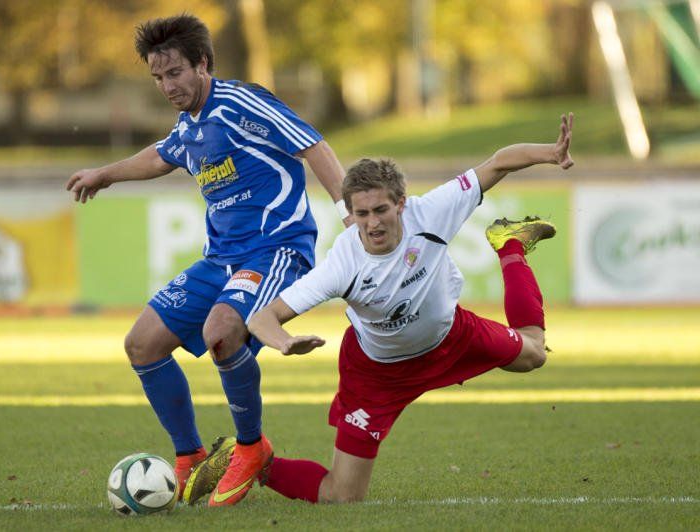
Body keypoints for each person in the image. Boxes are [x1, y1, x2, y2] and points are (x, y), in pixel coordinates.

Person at [65, 14, 350, 506]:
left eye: (175, 73)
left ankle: (251, 447)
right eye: (158, 77)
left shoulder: (242, 103)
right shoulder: (189, 125)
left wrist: (352, 217)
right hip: (220, 259)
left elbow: (314, 145)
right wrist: (105, 174)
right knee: (142, 344)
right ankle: (190, 457)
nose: (167, 86)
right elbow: (162, 155)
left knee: (221, 331)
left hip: (276, 248)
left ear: (202, 64)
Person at [243, 114, 574, 504]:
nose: (372, 224)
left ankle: (510, 245)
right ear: (351, 213)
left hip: (452, 337)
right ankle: (255, 463)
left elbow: (497, 163)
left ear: (401, 204)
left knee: (534, 354)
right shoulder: (342, 264)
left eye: (380, 210)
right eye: (361, 214)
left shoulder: (430, 212)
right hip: (377, 373)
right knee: (342, 495)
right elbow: (261, 318)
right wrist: (284, 342)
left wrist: (551, 153)